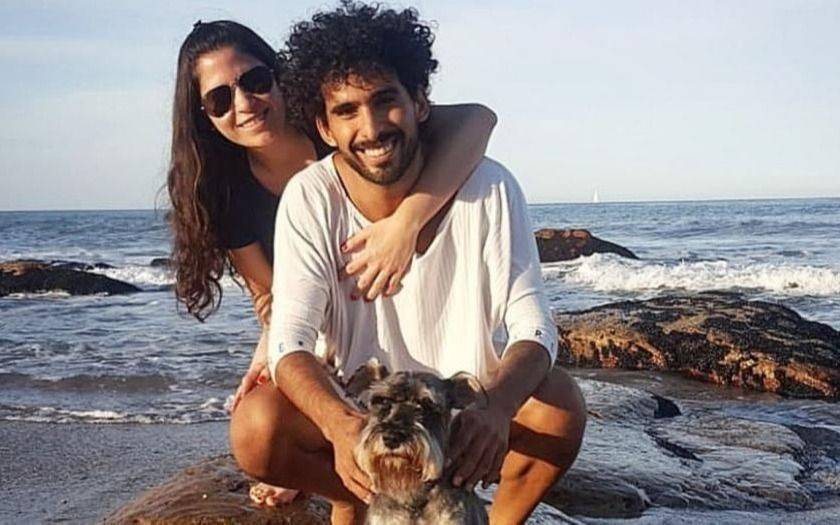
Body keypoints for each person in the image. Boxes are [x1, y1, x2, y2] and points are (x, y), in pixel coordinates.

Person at [229, 3, 587, 524]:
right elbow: (289, 342)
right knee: (256, 427)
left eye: (385, 101)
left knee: (560, 405)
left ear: (419, 103)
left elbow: (534, 327)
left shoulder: (490, 186)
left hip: (462, 410)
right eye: (347, 111)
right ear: (324, 127)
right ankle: (355, 493)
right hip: (362, 406)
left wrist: (496, 406)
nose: (371, 128)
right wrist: (338, 426)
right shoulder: (310, 197)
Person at [167, 20, 497, 506]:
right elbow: (271, 295)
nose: (244, 104)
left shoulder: (345, 127)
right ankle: (349, 487)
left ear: (281, 76)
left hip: (404, 316)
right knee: (259, 418)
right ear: (203, 115)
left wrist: (406, 223)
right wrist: (276, 353)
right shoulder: (225, 193)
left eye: (255, 81)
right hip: (331, 335)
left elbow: (478, 120)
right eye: (219, 99)